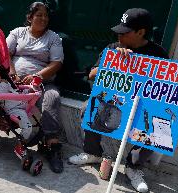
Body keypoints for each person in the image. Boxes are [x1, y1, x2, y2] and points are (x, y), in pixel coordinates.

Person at [68, 8, 169, 193]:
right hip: (114, 101)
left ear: (141, 32)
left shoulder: (159, 54)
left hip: (142, 104)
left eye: (125, 32)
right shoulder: (113, 48)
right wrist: (114, 62)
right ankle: (93, 153)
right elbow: (91, 75)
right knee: (88, 109)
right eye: (119, 32)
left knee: (159, 126)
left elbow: (165, 90)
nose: (119, 36)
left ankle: (133, 168)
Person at [6, 2, 64, 173]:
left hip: (42, 83)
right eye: (39, 15)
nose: (44, 18)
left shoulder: (53, 37)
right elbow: (5, 53)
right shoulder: (17, 33)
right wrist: (12, 72)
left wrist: (38, 76)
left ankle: (52, 146)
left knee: (52, 97)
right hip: (14, 81)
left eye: (46, 15)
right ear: (30, 17)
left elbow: (57, 63)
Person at [0, 62, 37, 143]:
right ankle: (21, 142)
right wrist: (3, 83)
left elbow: (15, 92)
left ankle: (28, 137)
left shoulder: (3, 81)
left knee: (32, 95)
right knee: (27, 126)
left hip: (20, 103)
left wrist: (27, 91)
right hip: (13, 109)